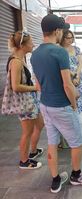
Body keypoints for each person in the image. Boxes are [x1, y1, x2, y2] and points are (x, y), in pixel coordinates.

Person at [30, 14, 82, 194]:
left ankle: (55, 180)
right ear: (57, 31)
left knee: (52, 142)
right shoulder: (59, 51)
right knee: (77, 141)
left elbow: (38, 85)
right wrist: (74, 105)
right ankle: (76, 175)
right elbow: (67, 85)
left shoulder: (35, 54)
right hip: (61, 105)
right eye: (62, 30)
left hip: (45, 105)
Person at [6, 31, 44, 169]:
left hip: (30, 100)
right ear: (22, 45)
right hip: (24, 103)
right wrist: (35, 88)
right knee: (27, 132)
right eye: (31, 43)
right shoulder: (16, 62)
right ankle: (24, 161)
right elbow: (15, 86)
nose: (33, 44)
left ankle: (33, 152)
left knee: (40, 125)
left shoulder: (21, 59)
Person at [60, 29, 82, 114]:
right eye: (67, 38)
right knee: (68, 102)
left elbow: (81, 63)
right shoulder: (59, 50)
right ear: (63, 38)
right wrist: (72, 76)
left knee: (79, 100)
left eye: (71, 38)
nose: (70, 40)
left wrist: (77, 75)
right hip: (66, 78)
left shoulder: (76, 49)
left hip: (77, 79)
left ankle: (77, 120)